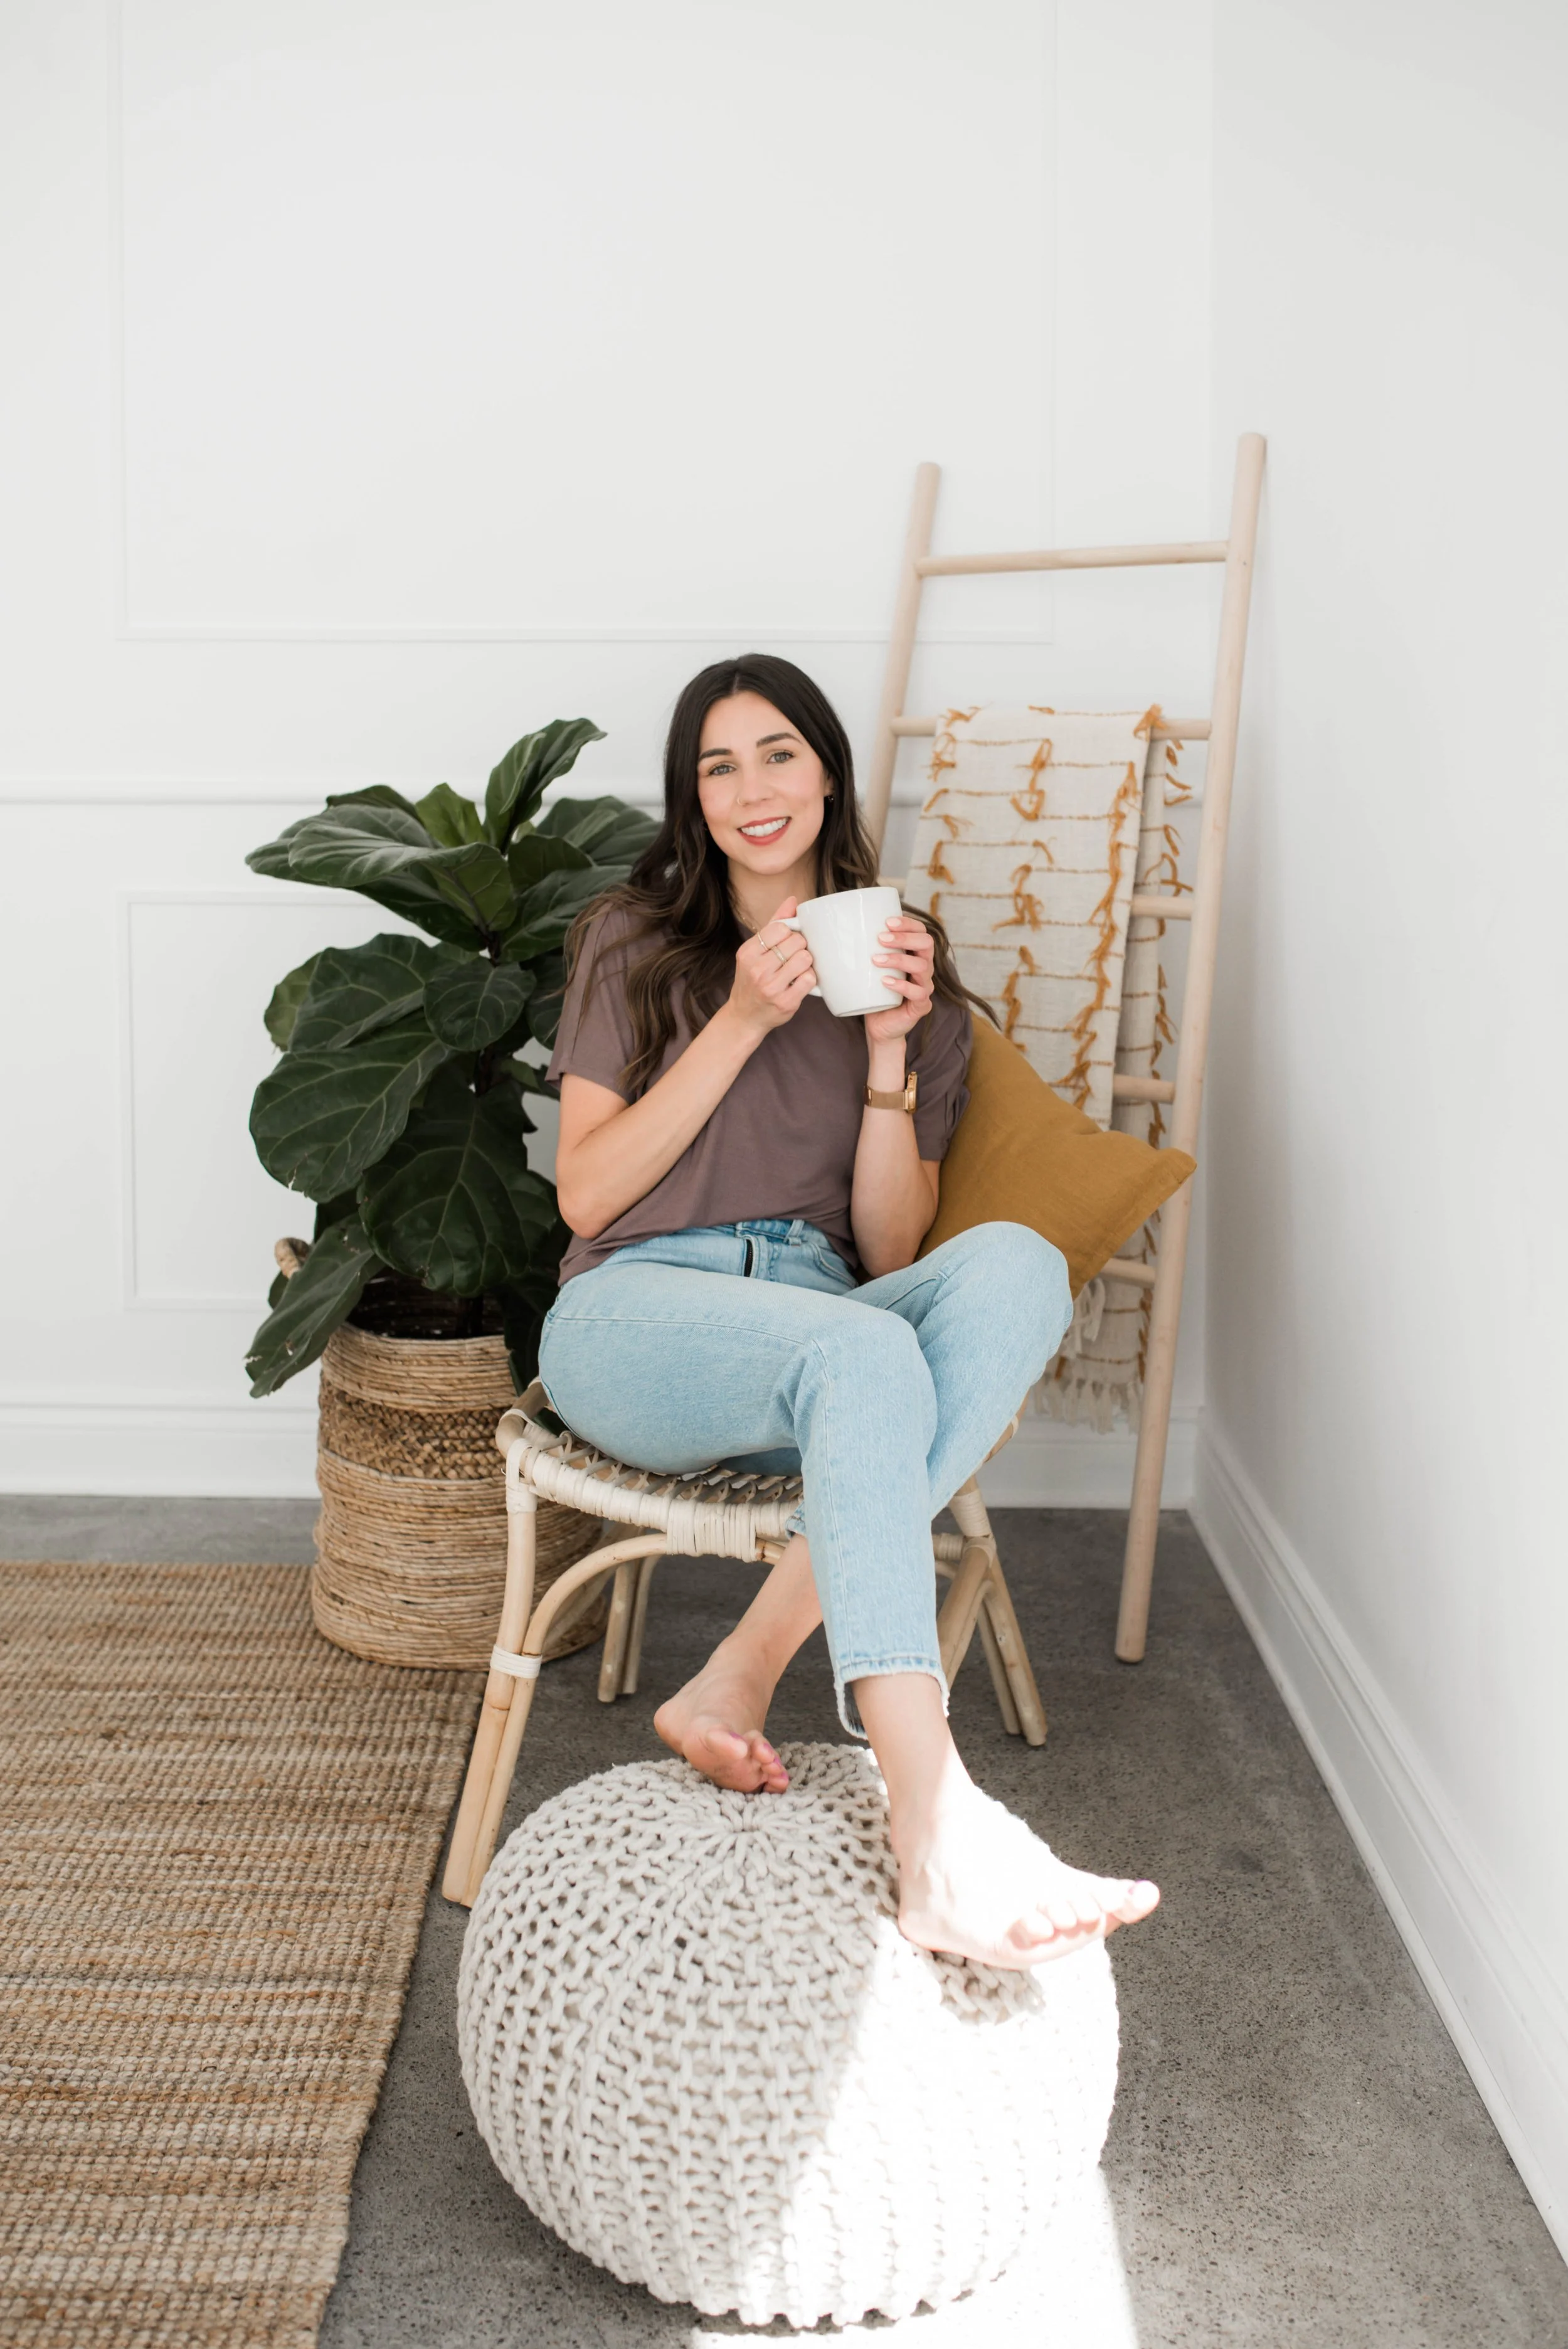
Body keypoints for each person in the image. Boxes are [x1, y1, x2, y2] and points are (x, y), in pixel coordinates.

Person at [540, 652, 1159, 1970]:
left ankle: (741, 1670)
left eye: (778, 753)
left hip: (826, 1341)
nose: (752, 789)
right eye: (718, 767)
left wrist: (887, 1054)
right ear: (692, 799)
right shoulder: (630, 939)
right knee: (870, 1352)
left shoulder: (906, 979)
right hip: (636, 1318)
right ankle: (934, 1825)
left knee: (1014, 1267)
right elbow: (584, 1194)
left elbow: (886, 1248)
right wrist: (742, 1019)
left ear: (828, 772)